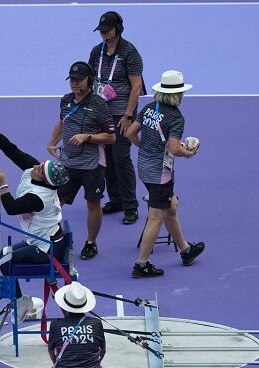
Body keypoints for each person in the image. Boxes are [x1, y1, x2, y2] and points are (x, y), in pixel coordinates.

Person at [0, 123, 69, 323]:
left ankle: (20, 303)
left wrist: (3, 184)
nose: (35, 166)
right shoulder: (35, 172)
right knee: (2, 254)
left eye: (39, 169)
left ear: (44, 180)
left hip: (48, 247)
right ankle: (20, 299)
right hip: (41, 237)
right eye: (39, 164)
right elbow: (13, 152)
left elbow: (11, 208)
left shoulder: (39, 198)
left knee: (5, 263)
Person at [124, 70, 205, 278]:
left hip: (143, 168)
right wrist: (189, 153)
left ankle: (186, 250)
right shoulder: (176, 117)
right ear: (178, 94)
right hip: (160, 174)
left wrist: (145, 148)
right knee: (156, 216)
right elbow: (174, 148)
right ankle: (142, 264)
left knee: (171, 206)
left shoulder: (149, 108)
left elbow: (130, 133)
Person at [47, 61, 116, 260]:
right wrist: (51, 143)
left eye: (79, 80)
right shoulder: (65, 101)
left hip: (92, 164)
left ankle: (91, 243)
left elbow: (111, 137)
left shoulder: (99, 105)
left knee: (93, 203)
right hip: (68, 162)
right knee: (56, 202)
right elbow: (63, 122)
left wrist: (88, 137)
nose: (74, 83)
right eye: (72, 80)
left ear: (89, 80)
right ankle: (54, 238)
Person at [89, 11, 145, 225]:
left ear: (118, 29)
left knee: (121, 157)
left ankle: (131, 206)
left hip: (122, 113)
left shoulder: (130, 52)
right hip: (102, 113)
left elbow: (136, 86)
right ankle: (116, 200)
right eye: (101, 31)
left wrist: (128, 115)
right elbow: (91, 79)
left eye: (107, 30)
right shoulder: (97, 52)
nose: (103, 34)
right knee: (107, 158)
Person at [48, 281, 108, 368]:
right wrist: (94, 365)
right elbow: (103, 350)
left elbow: (51, 351)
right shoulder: (96, 323)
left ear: (64, 304)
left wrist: (57, 365)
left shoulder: (55, 325)